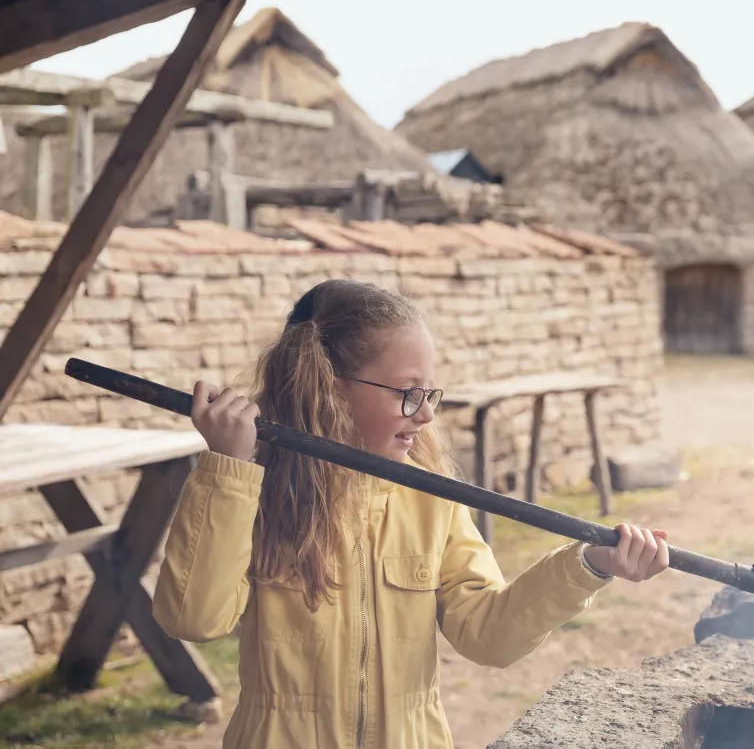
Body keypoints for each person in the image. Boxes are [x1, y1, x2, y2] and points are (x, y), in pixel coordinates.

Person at [153, 278, 669, 749]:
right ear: (329, 388)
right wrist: (226, 471)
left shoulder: (430, 495)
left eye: (429, 393)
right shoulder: (252, 486)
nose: (426, 413)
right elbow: (194, 618)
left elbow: (487, 635)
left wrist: (590, 565)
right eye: (407, 393)